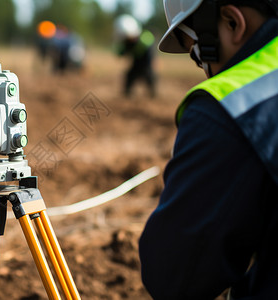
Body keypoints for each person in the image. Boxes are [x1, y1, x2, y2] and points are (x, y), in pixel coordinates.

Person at [138, 0, 278, 299]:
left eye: (198, 56)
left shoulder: (234, 106)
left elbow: (173, 277)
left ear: (232, 23)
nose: (205, 71)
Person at [114, 14, 156, 98]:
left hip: (146, 65)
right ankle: (127, 94)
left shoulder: (144, 39)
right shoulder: (127, 43)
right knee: (129, 76)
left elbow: (150, 53)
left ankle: (153, 94)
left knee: (150, 77)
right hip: (136, 64)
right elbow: (121, 52)